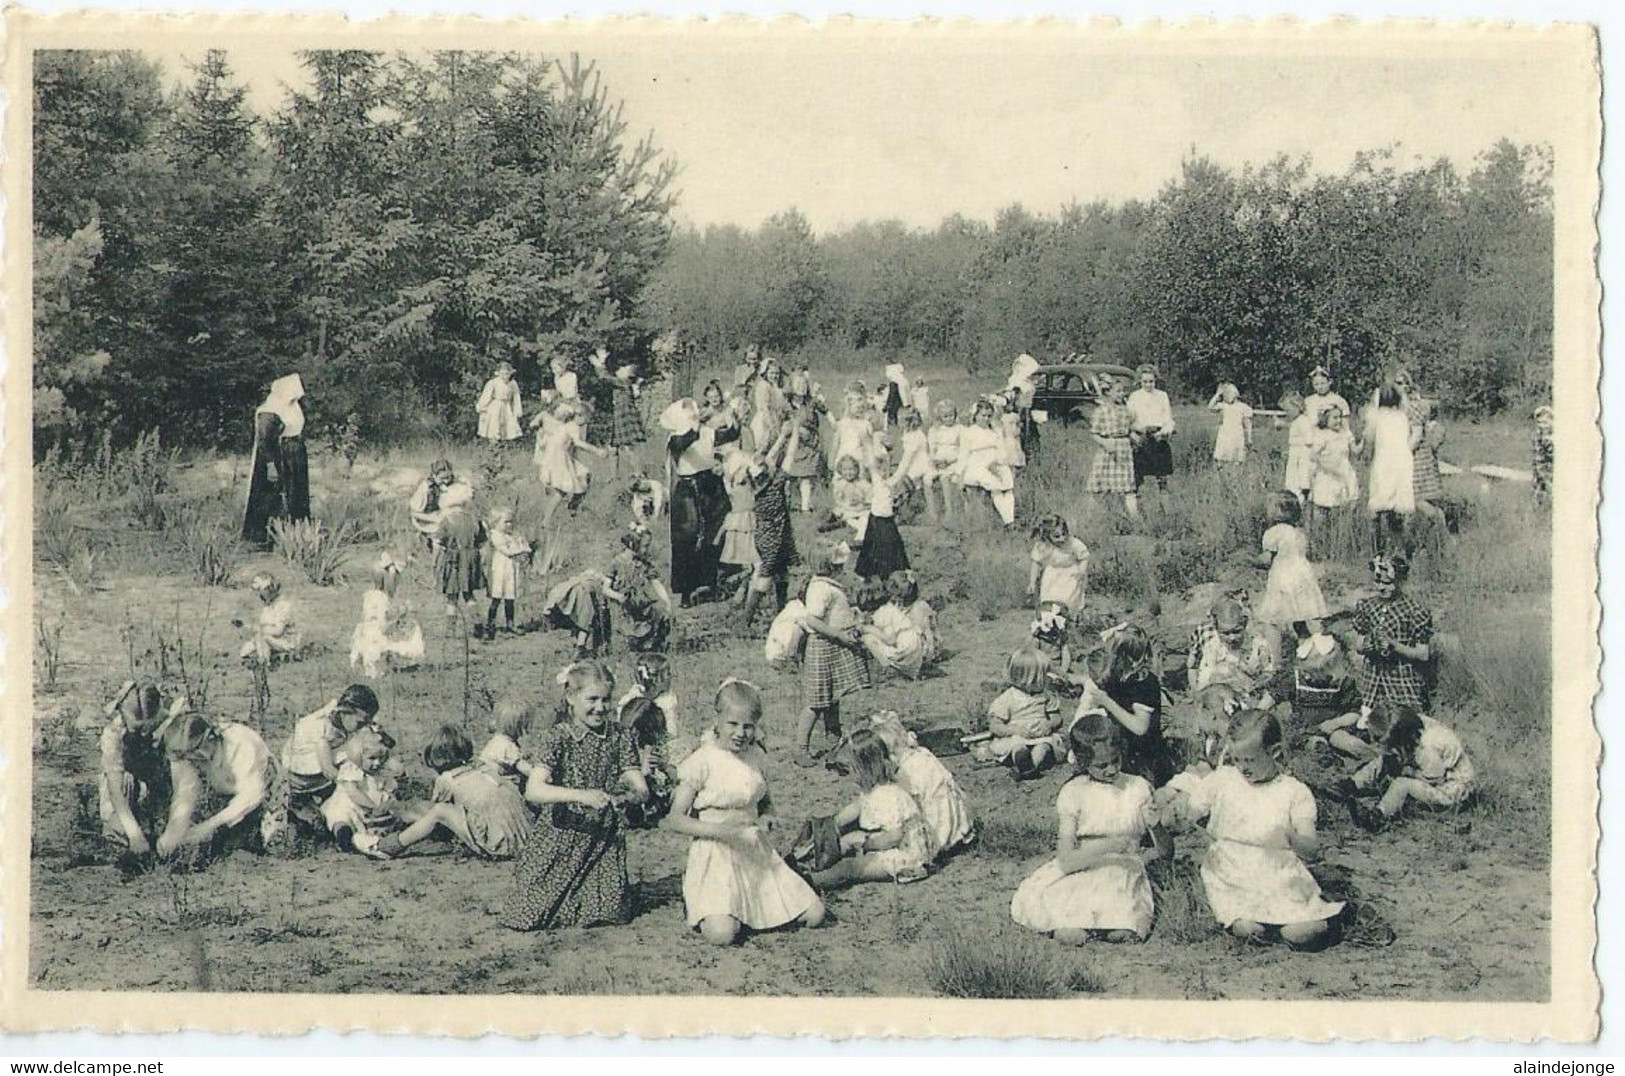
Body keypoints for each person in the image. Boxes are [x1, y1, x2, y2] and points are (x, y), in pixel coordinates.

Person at [1160, 711, 1343, 948]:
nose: (1243, 768)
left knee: (1300, 933)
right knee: (1248, 928)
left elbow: (1311, 850)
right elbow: (1188, 816)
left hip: (1277, 871)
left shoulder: (1293, 791)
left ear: (1274, 753)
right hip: (1230, 870)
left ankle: (1319, 920)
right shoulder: (1224, 779)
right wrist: (1176, 813)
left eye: (1250, 760)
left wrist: (1288, 836)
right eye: (1237, 760)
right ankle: (1262, 923)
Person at [665, 679, 826, 946]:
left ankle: (751, 906)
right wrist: (722, 831)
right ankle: (701, 897)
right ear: (717, 720)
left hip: (753, 851)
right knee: (723, 934)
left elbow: (765, 802)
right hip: (716, 852)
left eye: (748, 726)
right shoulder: (702, 761)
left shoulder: (756, 757)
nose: (741, 733)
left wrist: (767, 817)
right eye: (733, 724)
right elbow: (675, 819)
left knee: (815, 914)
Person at [500, 662, 649, 932]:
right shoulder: (557, 738)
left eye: (606, 700)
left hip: (603, 837)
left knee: (608, 914)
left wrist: (625, 795)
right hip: (561, 834)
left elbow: (639, 786)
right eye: (592, 699)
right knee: (528, 917)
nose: (600, 708)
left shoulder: (620, 736)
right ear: (571, 698)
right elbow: (534, 790)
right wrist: (581, 796)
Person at [1011, 714, 1169, 944]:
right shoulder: (1075, 792)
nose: (1112, 769)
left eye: (1116, 760)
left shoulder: (1137, 787)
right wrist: (1107, 846)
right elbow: (1066, 860)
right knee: (1070, 928)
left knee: (1125, 931)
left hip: (1122, 871)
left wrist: (1156, 827)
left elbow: (1165, 852)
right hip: (1085, 865)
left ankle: (1106, 925)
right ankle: (1078, 925)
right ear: (1083, 762)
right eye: (1101, 765)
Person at [369, 725, 531, 860]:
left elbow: (434, 811)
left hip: (499, 843)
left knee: (440, 812)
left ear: (433, 759)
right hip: (523, 836)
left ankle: (390, 846)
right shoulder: (485, 767)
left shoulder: (447, 779)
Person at [807, 729, 933, 889]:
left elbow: (895, 836)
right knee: (847, 839)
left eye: (848, 769)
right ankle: (816, 859)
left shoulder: (887, 795)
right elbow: (858, 807)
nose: (845, 775)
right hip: (894, 843)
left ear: (867, 768)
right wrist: (833, 824)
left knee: (851, 867)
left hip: (907, 857)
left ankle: (811, 882)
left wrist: (867, 846)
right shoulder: (874, 789)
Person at [792, 539, 871, 768]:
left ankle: (834, 740)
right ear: (829, 566)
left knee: (832, 696)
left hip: (833, 646)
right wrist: (838, 634)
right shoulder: (820, 589)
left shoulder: (829, 585)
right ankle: (801, 748)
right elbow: (813, 620)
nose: (841, 569)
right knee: (816, 701)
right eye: (838, 565)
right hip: (824, 646)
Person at [155, 711, 273, 860]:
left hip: (264, 793)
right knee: (221, 847)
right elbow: (185, 794)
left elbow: (250, 796)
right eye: (187, 756)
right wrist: (171, 836)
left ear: (210, 738)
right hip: (226, 795)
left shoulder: (241, 745)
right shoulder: (189, 753)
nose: (193, 761)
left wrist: (208, 827)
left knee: (274, 845)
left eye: (194, 754)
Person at [1346, 704, 1476, 832]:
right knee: (1387, 758)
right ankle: (1351, 785)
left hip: (1453, 791)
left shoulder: (1428, 746)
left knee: (1401, 784)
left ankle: (1378, 817)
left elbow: (1434, 779)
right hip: (1440, 774)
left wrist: (1408, 772)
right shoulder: (1414, 725)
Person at [867, 711, 975, 862]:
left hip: (939, 833)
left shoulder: (906, 772)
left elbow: (909, 808)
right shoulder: (922, 754)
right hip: (958, 828)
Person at [1078, 625, 1174, 787]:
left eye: (1113, 656)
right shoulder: (1120, 678)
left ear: (1125, 658)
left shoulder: (1144, 685)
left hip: (1143, 757)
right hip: (1122, 749)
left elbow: (1140, 727)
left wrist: (1107, 702)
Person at [281, 684, 382, 837]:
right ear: (345, 712)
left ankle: (337, 823)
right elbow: (330, 771)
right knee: (353, 769)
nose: (361, 727)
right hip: (301, 779)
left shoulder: (341, 720)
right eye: (360, 723)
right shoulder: (320, 729)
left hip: (318, 777)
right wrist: (351, 784)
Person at [663, 398, 729, 607]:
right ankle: (685, 590)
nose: (694, 415)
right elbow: (684, 443)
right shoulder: (675, 438)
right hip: (688, 489)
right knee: (687, 538)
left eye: (694, 412)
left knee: (714, 534)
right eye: (689, 414)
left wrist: (733, 419)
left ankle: (711, 583)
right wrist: (696, 427)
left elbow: (728, 435)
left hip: (711, 485)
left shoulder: (707, 431)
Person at [97, 681, 172, 860]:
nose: (140, 733)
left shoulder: (170, 720)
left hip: (158, 781)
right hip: (128, 789)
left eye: (144, 728)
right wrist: (134, 835)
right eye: (134, 728)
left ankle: (154, 822)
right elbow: (116, 791)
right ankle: (122, 831)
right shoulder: (113, 735)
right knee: (126, 781)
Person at [1351, 553, 1434, 712]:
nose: (1381, 587)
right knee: (1365, 721)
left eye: (1388, 583)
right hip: (1371, 680)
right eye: (1377, 581)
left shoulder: (1414, 611)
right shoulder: (1367, 606)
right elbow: (1359, 646)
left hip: (1401, 678)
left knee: (1402, 723)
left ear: (1400, 581)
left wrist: (1394, 646)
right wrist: (1368, 645)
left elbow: (1423, 654)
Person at [242, 373, 310, 547]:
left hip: (295, 454)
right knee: (272, 497)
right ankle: (263, 538)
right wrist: (271, 466)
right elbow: (265, 442)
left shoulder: (293, 407)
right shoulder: (269, 410)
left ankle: (297, 533)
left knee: (297, 494)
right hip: (277, 456)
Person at [979, 646, 1065, 781]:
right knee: (1017, 747)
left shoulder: (1045, 695)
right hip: (1017, 736)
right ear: (1027, 679)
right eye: (1043, 676)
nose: (1048, 679)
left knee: (1043, 747)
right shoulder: (1009, 698)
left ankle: (1028, 769)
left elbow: (1057, 717)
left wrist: (1048, 725)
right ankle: (1022, 760)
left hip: (1040, 736)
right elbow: (995, 726)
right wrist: (1015, 730)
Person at [742, 422, 798, 626]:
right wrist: (794, 434)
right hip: (776, 539)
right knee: (766, 577)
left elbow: (768, 460)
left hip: (766, 536)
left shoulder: (756, 488)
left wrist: (782, 436)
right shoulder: (776, 486)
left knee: (782, 573)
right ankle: (746, 619)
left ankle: (779, 613)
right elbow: (789, 458)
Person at [1256, 492, 1327, 627]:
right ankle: (1308, 643)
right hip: (1303, 576)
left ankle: (1274, 647)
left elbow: (1266, 560)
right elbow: (1309, 554)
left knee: (1271, 620)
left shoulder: (1274, 533)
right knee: (1300, 615)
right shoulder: (1300, 532)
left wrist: (1251, 560)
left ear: (1277, 512)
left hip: (1283, 576)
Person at [1188, 597, 1278, 704]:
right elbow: (1198, 670)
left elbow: (1269, 672)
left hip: (1249, 696)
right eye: (1225, 633)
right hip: (1216, 696)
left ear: (1244, 625)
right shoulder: (1210, 641)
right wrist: (1197, 694)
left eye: (1237, 631)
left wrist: (1257, 684)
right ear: (1216, 628)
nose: (1232, 638)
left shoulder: (1258, 644)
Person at [350, 552, 425, 678]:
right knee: (413, 628)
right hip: (379, 633)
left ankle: (380, 662)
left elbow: (367, 617)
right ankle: (402, 659)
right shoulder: (384, 599)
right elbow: (386, 621)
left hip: (367, 633)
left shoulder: (369, 596)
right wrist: (403, 612)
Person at [1364, 381, 1416, 555]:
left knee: (1377, 506)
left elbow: (1369, 438)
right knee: (1397, 506)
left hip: (1384, 462)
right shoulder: (1402, 416)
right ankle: (1400, 548)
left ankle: (1377, 551)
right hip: (1402, 461)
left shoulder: (1376, 416)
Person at [535, 401, 606, 528]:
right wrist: (597, 450)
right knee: (561, 491)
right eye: (587, 418)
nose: (587, 421)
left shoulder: (567, 426)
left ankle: (572, 508)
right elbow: (578, 443)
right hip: (558, 459)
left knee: (585, 475)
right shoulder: (572, 426)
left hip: (563, 458)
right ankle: (546, 521)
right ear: (580, 416)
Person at [433, 480, 486, 637]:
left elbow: (438, 544)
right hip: (471, 560)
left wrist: (435, 564)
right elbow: (482, 542)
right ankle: (478, 624)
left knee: (452, 597)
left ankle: (450, 629)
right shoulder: (475, 520)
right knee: (469, 594)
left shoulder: (447, 520)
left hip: (454, 560)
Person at [1088, 375, 1140, 518]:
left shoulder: (1125, 410)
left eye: (1122, 391)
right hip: (1108, 450)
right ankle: (1094, 518)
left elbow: (1129, 429)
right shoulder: (1101, 410)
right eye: (1118, 391)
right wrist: (1104, 442)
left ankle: (1135, 519)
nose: (1121, 394)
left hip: (1123, 451)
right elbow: (1094, 433)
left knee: (1127, 487)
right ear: (1108, 392)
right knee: (1099, 487)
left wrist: (1133, 437)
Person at [960, 397, 1017, 527]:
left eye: (989, 416)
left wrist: (1000, 463)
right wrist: (960, 474)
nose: (986, 419)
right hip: (977, 464)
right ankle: (1008, 522)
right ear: (975, 416)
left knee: (1007, 488)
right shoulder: (968, 432)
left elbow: (1001, 450)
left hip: (995, 462)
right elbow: (964, 455)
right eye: (983, 416)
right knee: (996, 487)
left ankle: (1010, 519)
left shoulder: (995, 431)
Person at [854, 457, 910, 582]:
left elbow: (903, 467)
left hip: (887, 520)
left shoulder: (892, 482)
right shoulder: (876, 480)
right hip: (875, 519)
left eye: (886, 470)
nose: (883, 473)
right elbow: (870, 458)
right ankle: (865, 573)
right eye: (881, 471)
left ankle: (894, 570)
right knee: (870, 545)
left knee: (893, 543)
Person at [860, 579, 928, 680]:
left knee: (868, 639)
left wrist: (869, 629)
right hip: (915, 644)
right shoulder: (888, 608)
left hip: (906, 648)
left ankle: (887, 668)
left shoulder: (883, 613)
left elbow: (890, 640)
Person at [1027, 514, 1090, 617]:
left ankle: (1069, 619)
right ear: (1047, 535)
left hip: (1070, 574)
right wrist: (1032, 582)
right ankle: (1051, 621)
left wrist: (1081, 571)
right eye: (1057, 536)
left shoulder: (1073, 543)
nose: (1062, 538)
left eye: (1064, 534)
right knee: (1050, 598)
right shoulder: (1043, 546)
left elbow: (1083, 557)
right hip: (1052, 575)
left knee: (1068, 599)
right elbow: (1036, 562)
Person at [1307, 406, 1361, 525]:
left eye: (1340, 417)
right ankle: (1320, 534)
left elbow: (1356, 451)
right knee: (1323, 504)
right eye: (1334, 418)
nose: (1338, 421)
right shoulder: (1322, 435)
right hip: (1327, 473)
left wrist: (1365, 440)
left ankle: (1337, 532)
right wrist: (1326, 465)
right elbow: (1313, 456)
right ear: (1326, 419)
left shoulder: (1345, 433)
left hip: (1343, 472)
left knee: (1340, 505)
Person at [1126, 364, 1176, 494]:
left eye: (1151, 381)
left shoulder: (1162, 395)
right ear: (1140, 381)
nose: (1148, 385)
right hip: (1141, 438)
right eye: (1145, 382)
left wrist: (1164, 432)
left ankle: (1166, 510)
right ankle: (1137, 511)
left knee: (1162, 478)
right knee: (1137, 479)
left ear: (1156, 380)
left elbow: (1168, 419)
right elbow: (1128, 421)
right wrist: (1135, 434)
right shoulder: (1134, 397)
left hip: (1159, 437)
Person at [484, 507, 532, 639]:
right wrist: (521, 549)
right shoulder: (495, 535)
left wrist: (523, 548)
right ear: (496, 522)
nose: (509, 525)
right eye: (506, 522)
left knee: (510, 597)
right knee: (497, 597)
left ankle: (510, 623)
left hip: (512, 569)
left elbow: (527, 547)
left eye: (511, 522)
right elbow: (508, 551)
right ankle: (490, 625)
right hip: (500, 569)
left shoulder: (515, 535)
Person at [239, 572, 301, 667]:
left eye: (262, 591)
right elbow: (264, 625)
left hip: (286, 641)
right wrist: (245, 626)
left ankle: (265, 663)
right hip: (271, 639)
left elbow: (278, 631)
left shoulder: (284, 605)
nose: (260, 595)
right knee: (244, 651)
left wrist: (260, 630)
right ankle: (263, 657)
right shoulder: (267, 607)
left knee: (261, 637)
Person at [784, 380, 827, 513]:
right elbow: (781, 422)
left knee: (806, 477)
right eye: (797, 385)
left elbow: (826, 410)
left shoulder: (811, 402)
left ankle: (805, 507)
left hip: (810, 445)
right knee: (789, 478)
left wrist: (833, 422)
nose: (801, 388)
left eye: (803, 385)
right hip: (792, 445)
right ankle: (787, 504)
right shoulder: (786, 404)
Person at [480, 697, 537, 793]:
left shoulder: (496, 740)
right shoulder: (508, 746)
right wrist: (540, 775)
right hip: (497, 789)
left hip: (483, 782)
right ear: (519, 726)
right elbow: (524, 768)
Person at [925, 400, 964, 520]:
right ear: (940, 417)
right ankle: (933, 513)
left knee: (944, 478)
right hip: (938, 462)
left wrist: (949, 461)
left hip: (954, 461)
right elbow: (932, 450)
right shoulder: (935, 430)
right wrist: (934, 461)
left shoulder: (960, 429)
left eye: (951, 415)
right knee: (927, 479)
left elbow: (963, 450)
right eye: (945, 416)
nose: (949, 419)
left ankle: (949, 511)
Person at [409, 459, 457, 548]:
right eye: (443, 478)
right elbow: (414, 512)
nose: (446, 481)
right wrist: (434, 518)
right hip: (427, 521)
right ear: (434, 476)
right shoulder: (425, 488)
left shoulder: (449, 485)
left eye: (449, 477)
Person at [476, 361, 524, 445]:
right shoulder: (493, 382)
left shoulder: (513, 384)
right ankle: (493, 446)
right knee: (494, 425)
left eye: (507, 374)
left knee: (508, 426)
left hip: (506, 406)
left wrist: (517, 410)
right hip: (495, 407)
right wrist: (481, 406)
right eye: (502, 374)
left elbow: (516, 398)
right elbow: (487, 395)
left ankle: (505, 446)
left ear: (510, 374)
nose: (504, 376)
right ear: (498, 373)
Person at [1280, 392, 1315, 502]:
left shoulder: (1303, 421)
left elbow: (1309, 441)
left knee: (1300, 482)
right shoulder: (1297, 421)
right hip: (1296, 454)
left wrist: (1298, 450)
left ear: (1297, 407)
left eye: (1288, 409)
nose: (1287, 413)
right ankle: (1296, 503)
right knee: (1293, 481)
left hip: (1302, 457)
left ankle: (1301, 503)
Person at [1209, 382, 1253, 466]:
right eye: (1225, 394)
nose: (1227, 396)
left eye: (1229, 393)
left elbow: (1248, 425)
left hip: (1237, 435)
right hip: (1225, 435)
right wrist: (1217, 394)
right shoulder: (1223, 406)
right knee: (1221, 460)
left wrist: (1249, 438)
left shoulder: (1243, 407)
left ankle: (1235, 477)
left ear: (1235, 394)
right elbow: (1210, 407)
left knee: (1236, 460)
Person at [829, 455, 872, 541]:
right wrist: (845, 503)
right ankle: (861, 531)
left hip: (861, 508)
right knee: (848, 518)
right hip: (848, 509)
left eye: (851, 469)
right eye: (845, 470)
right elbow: (838, 500)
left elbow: (870, 497)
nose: (848, 473)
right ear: (840, 470)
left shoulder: (862, 483)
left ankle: (861, 534)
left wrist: (862, 501)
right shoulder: (840, 484)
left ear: (857, 470)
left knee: (865, 518)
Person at [1532, 405, 1555, 505]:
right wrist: (1546, 479)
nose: (1542, 426)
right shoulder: (1538, 436)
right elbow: (1539, 460)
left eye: (1545, 422)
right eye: (1539, 423)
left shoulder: (1556, 434)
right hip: (1544, 470)